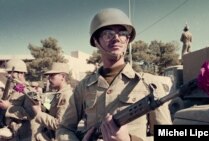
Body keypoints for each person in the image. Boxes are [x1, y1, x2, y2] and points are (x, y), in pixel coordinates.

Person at [56, 8, 172, 141]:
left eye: (122, 33)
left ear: (127, 40)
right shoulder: (84, 87)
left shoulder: (149, 84)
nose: (116, 38)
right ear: (96, 41)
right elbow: (64, 128)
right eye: (108, 34)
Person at [0, 58, 41, 140]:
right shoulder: (13, 91)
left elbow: (31, 114)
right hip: (11, 131)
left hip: (24, 135)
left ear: (21, 74)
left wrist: (9, 107)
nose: (8, 76)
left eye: (11, 73)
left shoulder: (30, 92)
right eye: (8, 73)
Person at [31, 62, 73, 141]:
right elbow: (48, 112)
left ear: (62, 77)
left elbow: (59, 124)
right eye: (49, 76)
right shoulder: (57, 94)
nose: (49, 79)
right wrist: (40, 105)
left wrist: (38, 113)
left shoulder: (66, 96)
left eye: (52, 75)